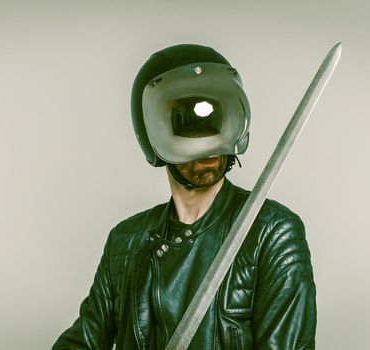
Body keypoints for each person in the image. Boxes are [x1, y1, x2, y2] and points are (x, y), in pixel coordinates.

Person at [53, 44, 316, 349]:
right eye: (187, 126)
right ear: (153, 132)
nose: (206, 143)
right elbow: (81, 343)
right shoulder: (125, 241)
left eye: (213, 120)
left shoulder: (272, 233)